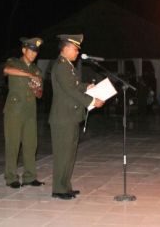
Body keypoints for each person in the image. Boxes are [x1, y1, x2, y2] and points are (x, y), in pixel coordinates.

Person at [49, 34, 104, 200]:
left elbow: (75, 86)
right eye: (75, 49)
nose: (77, 53)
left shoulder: (68, 66)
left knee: (70, 154)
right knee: (62, 154)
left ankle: (65, 186)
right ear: (65, 48)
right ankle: (58, 189)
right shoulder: (61, 66)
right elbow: (70, 91)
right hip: (63, 117)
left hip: (70, 116)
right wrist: (93, 100)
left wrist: (87, 86)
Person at [2, 37, 46, 189]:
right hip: (14, 111)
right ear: (24, 50)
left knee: (31, 145)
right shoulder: (14, 62)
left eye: (36, 52)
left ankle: (29, 177)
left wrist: (36, 89)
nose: (34, 54)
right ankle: (11, 177)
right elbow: (6, 70)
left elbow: (40, 94)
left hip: (30, 112)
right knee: (13, 144)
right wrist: (29, 75)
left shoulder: (37, 69)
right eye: (31, 50)